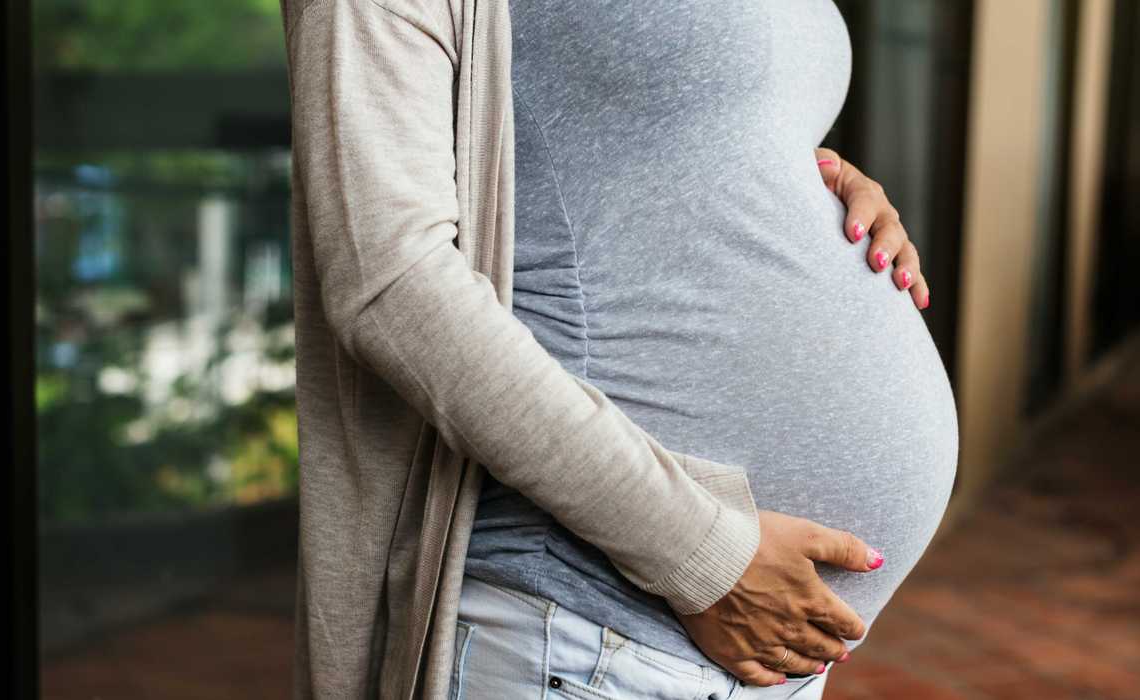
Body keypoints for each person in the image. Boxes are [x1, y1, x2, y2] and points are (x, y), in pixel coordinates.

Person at [279, 1, 957, 698]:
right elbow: (390, 284)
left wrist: (806, 176)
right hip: (590, 632)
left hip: (730, 649)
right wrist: (704, 556)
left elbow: (651, 137)